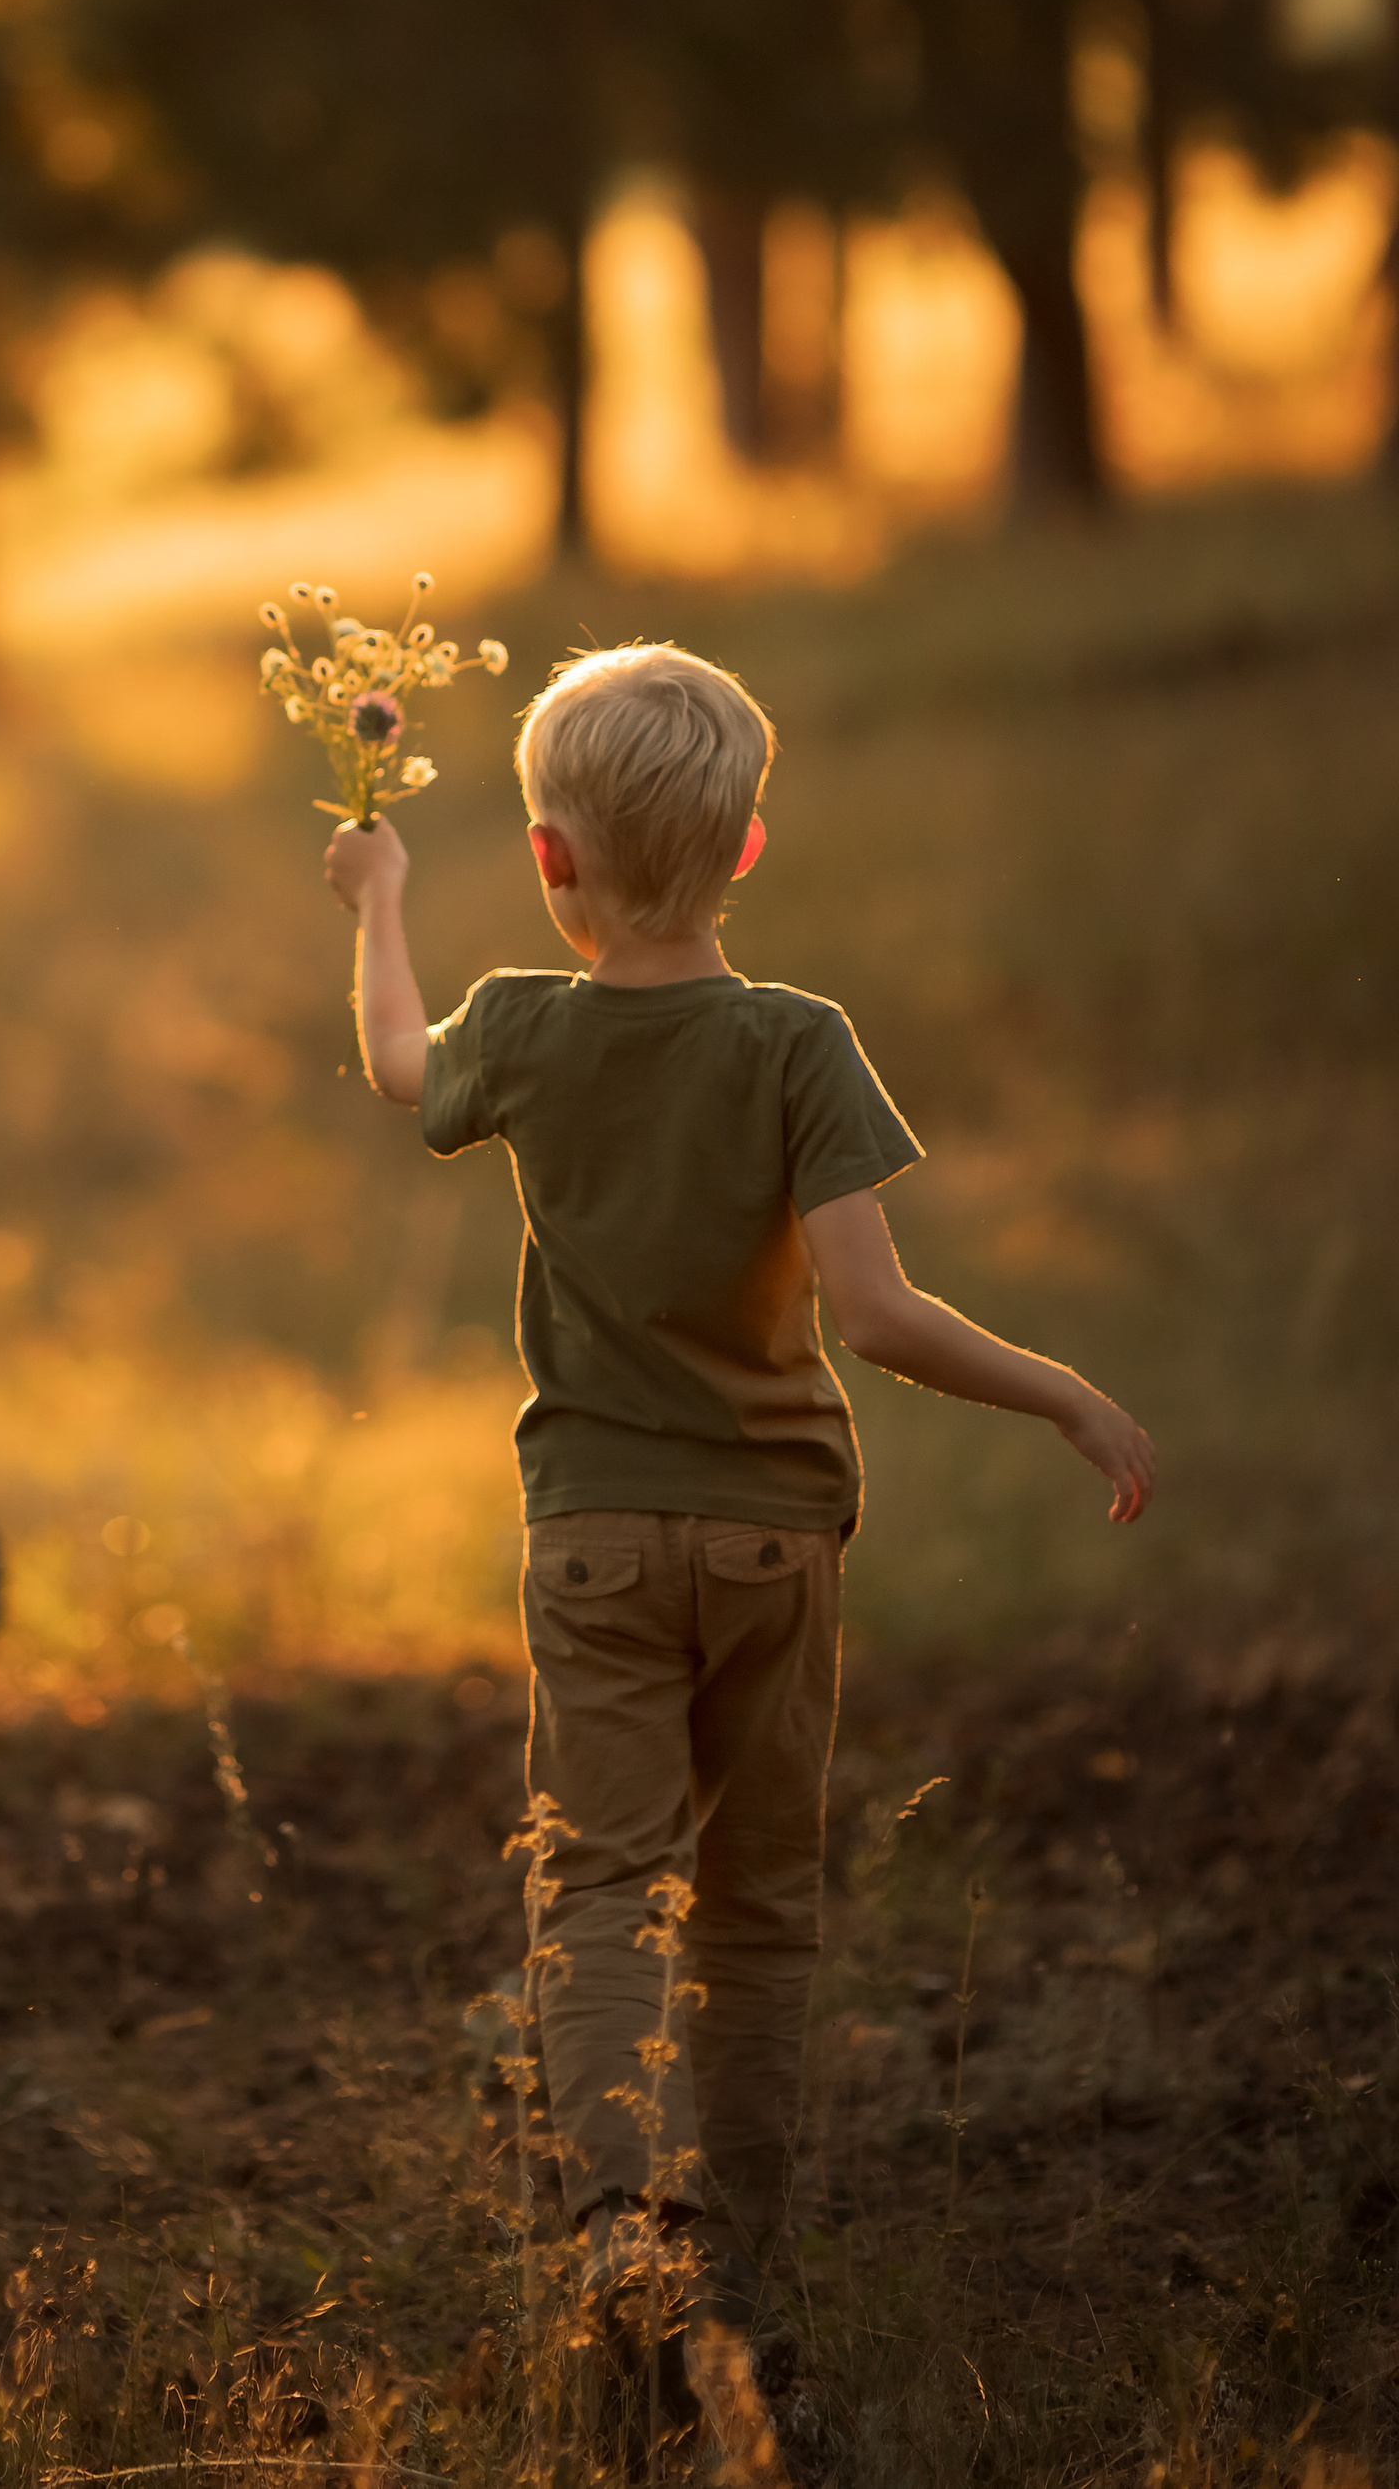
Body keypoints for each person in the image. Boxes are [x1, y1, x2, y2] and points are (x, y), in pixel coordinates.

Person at [321, 639, 1153, 2364]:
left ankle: (629, 2242)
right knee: (761, 1900)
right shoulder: (800, 1046)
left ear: (551, 860)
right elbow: (879, 1317)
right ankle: (740, 2264)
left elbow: (400, 1061)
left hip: (594, 1540)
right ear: (750, 846)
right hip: (778, 1538)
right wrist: (1063, 1391)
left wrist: (377, 895)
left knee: (607, 1885)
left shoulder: (525, 1032)